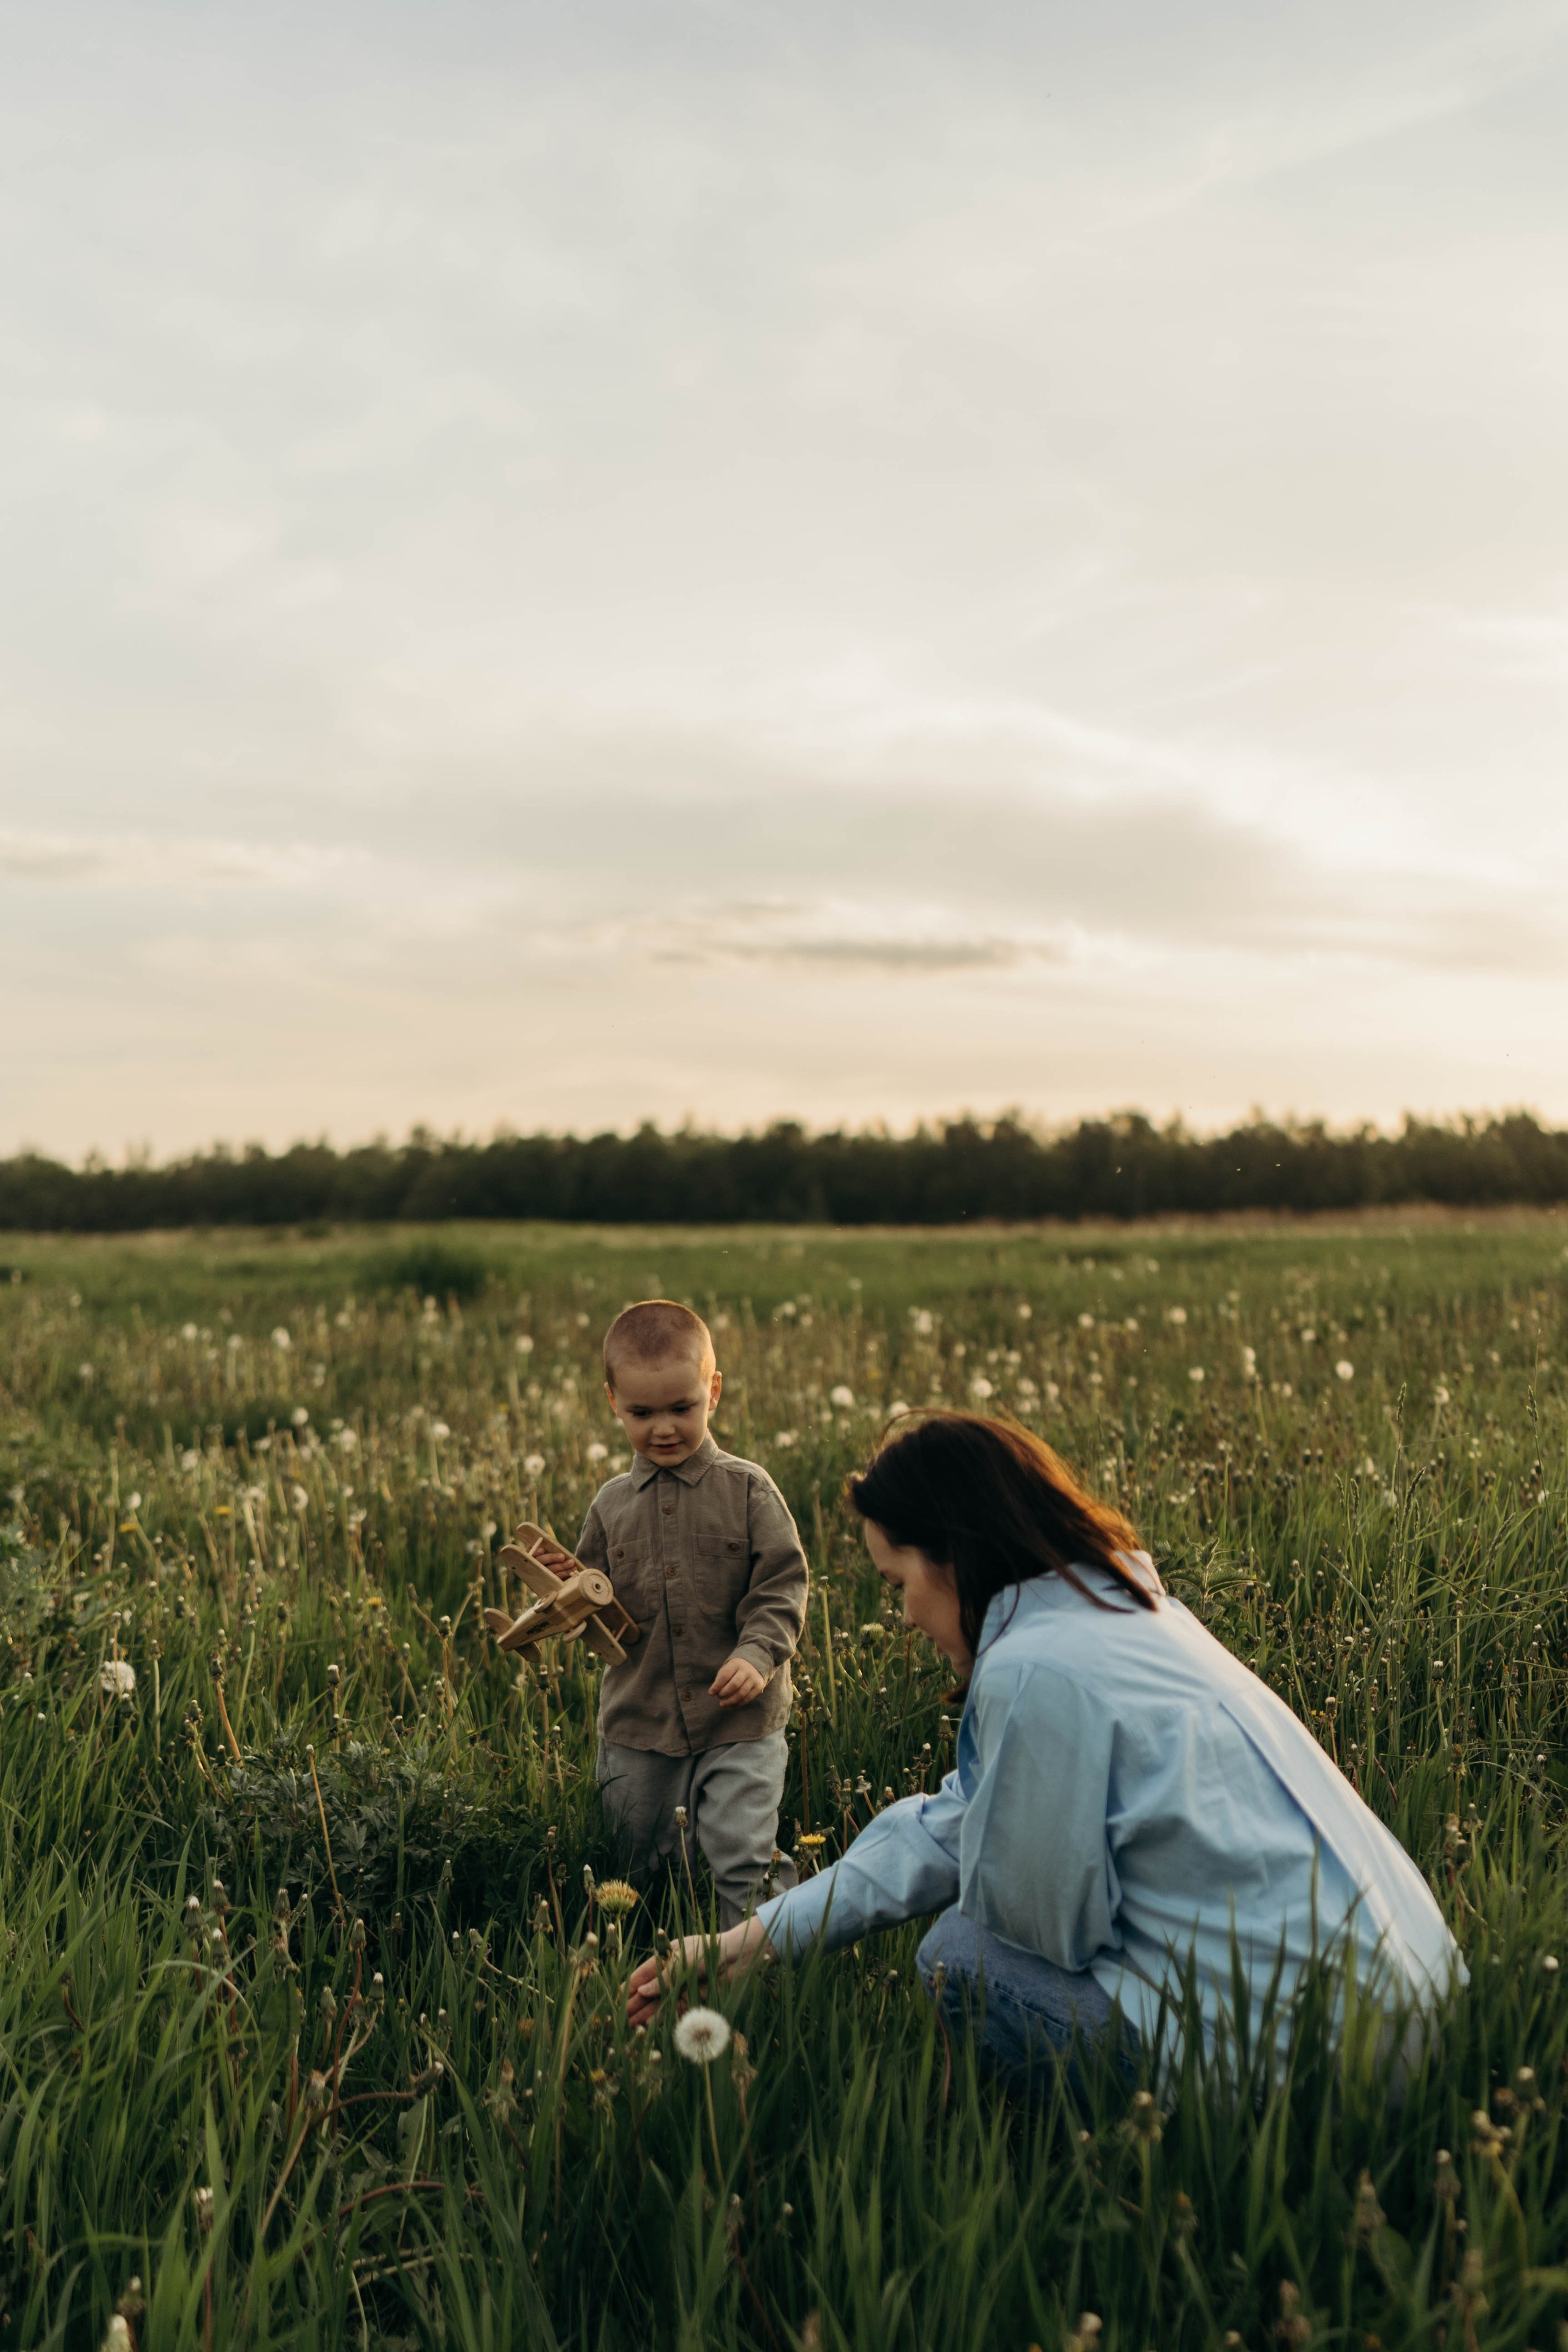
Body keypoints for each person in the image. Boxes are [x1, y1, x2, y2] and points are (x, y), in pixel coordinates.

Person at [625, 1411, 1460, 2091]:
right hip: (1422, 2012)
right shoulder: (1134, 1617)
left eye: (898, 1582)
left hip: (1318, 2072)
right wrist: (755, 1938)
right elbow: (957, 1824)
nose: (907, 1615)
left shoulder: (1036, 1670)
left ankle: (985, 2145)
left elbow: (1034, 1925)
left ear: (953, 1554)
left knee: (963, 1955)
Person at [578, 1299, 810, 1927]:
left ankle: (761, 1964)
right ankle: (653, 1969)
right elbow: (592, 1606)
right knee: (637, 1867)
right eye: (641, 1412)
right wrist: (568, 1601)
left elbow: (782, 1583)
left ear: (714, 1391)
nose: (663, 1428)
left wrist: (757, 1653)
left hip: (739, 1720)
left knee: (742, 1857)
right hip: (639, 1723)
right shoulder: (609, 1506)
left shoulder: (748, 1490)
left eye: (682, 1408)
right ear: (612, 1403)